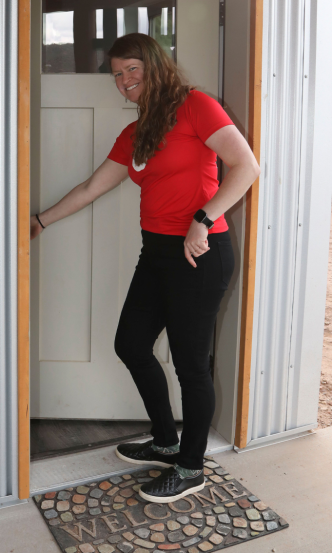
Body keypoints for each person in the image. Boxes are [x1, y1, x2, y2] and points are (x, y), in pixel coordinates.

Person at [30, 32, 260, 504]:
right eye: (116, 74)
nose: (124, 80)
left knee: (192, 366)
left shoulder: (197, 106)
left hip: (200, 253)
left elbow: (246, 166)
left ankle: (191, 466)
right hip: (156, 253)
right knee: (131, 343)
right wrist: (38, 221)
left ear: (156, 64)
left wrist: (204, 218)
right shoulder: (136, 133)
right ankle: (165, 441)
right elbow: (92, 187)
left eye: (131, 68)